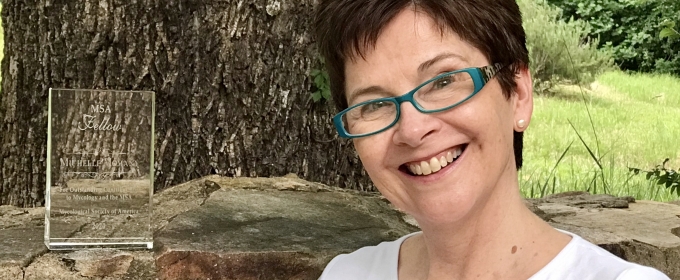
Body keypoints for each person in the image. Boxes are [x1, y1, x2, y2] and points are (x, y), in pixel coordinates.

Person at [313, 0, 671, 279]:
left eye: (443, 81)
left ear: (517, 93)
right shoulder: (346, 274)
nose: (412, 130)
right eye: (374, 104)